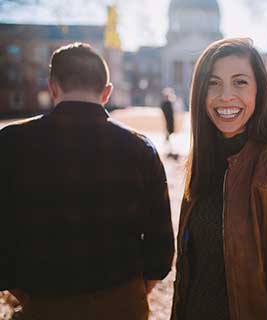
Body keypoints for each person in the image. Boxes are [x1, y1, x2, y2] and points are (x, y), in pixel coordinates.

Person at [0, 42, 174, 320]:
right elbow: (161, 243)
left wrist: (21, 289)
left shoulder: (11, 144)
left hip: (43, 299)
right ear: (107, 93)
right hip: (122, 299)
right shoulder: (140, 148)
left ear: (52, 87)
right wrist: (136, 289)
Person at [170, 38, 267, 320]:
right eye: (213, 83)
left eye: (240, 82)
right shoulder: (203, 160)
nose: (225, 95)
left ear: (259, 91)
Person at [160, 87, 179, 160]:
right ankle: (169, 150)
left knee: (168, 136)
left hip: (169, 121)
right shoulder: (167, 103)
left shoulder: (166, 103)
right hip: (169, 121)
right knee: (168, 135)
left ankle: (169, 149)